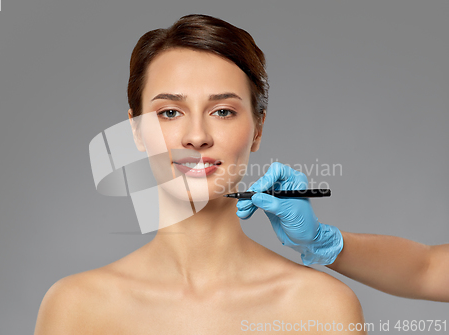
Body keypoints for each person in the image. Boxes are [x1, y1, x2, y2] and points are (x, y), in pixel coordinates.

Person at [34, 14, 366, 334]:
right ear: (136, 130)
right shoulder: (76, 307)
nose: (196, 136)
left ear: (258, 128)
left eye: (222, 111)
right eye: (170, 112)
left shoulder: (322, 308)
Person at [236, 162, 449, 302]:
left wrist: (321, 243)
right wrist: (320, 242)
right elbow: (427, 269)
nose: (200, 138)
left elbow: (426, 273)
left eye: (224, 112)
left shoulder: (324, 303)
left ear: (258, 130)